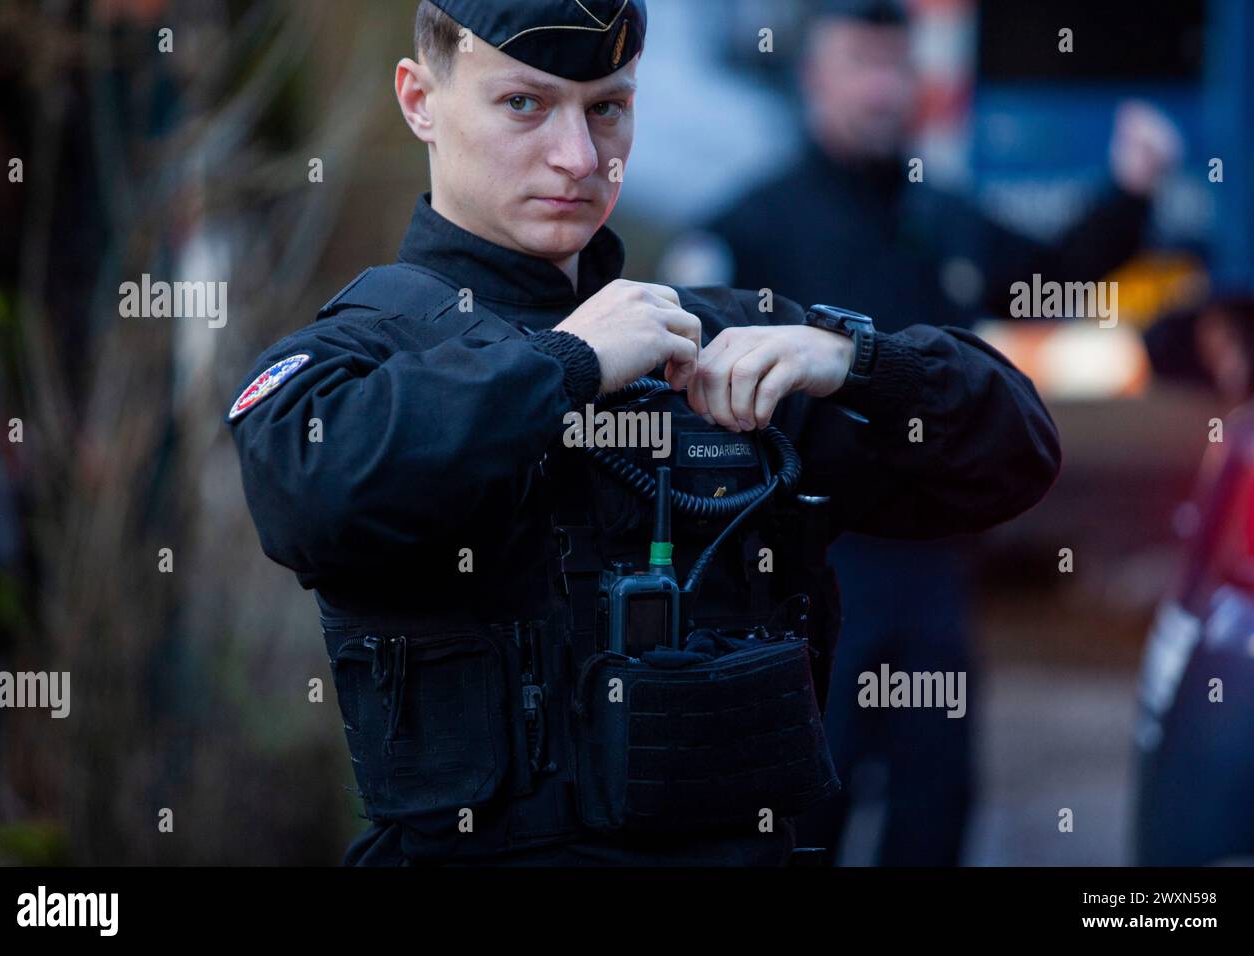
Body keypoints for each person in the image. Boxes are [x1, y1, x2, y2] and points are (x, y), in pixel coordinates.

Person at [226, 0, 1062, 867]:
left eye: (607, 108)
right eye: (524, 103)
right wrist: (568, 366)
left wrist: (856, 359)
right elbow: (307, 492)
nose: (579, 158)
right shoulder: (355, 356)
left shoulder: (720, 343)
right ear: (419, 100)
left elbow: (1014, 459)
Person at [661, 0, 1183, 865]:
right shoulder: (747, 228)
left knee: (934, 808)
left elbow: (1050, 278)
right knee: (801, 820)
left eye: (892, 65)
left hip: (934, 569)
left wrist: (1131, 191)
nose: (879, 87)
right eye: (858, 63)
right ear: (812, 78)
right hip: (805, 572)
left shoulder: (937, 216)